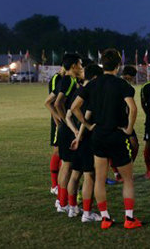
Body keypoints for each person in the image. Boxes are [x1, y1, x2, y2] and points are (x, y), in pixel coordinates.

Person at [71, 48, 141, 229]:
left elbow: (74, 107)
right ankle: (129, 218)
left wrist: (87, 125)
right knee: (127, 179)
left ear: (103, 64)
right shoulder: (121, 84)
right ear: (118, 66)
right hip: (117, 135)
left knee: (99, 179)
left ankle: (105, 218)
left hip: (98, 135)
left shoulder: (92, 84)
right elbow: (133, 109)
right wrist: (129, 129)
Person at [66, 63, 103, 221]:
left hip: (76, 136)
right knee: (89, 176)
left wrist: (75, 134)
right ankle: (87, 213)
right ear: (95, 77)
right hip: (86, 138)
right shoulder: (91, 91)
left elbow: (68, 115)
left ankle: (72, 208)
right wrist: (81, 134)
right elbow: (87, 115)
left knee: (75, 174)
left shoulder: (78, 91)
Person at [53, 53, 83, 213]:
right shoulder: (69, 80)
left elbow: (51, 102)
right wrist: (66, 121)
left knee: (66, 165)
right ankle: (64, 203)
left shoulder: (67, 80)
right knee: (68, 166)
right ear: (73, 66)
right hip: (69, 129)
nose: (81, 67)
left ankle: (62, 202)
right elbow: (58, 103)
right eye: (80, 64)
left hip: (67, 128)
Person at [44, 66, 65, 196]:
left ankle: (61, 184)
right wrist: (57, 117)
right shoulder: (56, 78)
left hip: (65, 119)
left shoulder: (67, 79)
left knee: (64, 152)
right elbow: (51, 101)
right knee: (57, 150)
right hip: (58, 120)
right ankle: (54, 185)